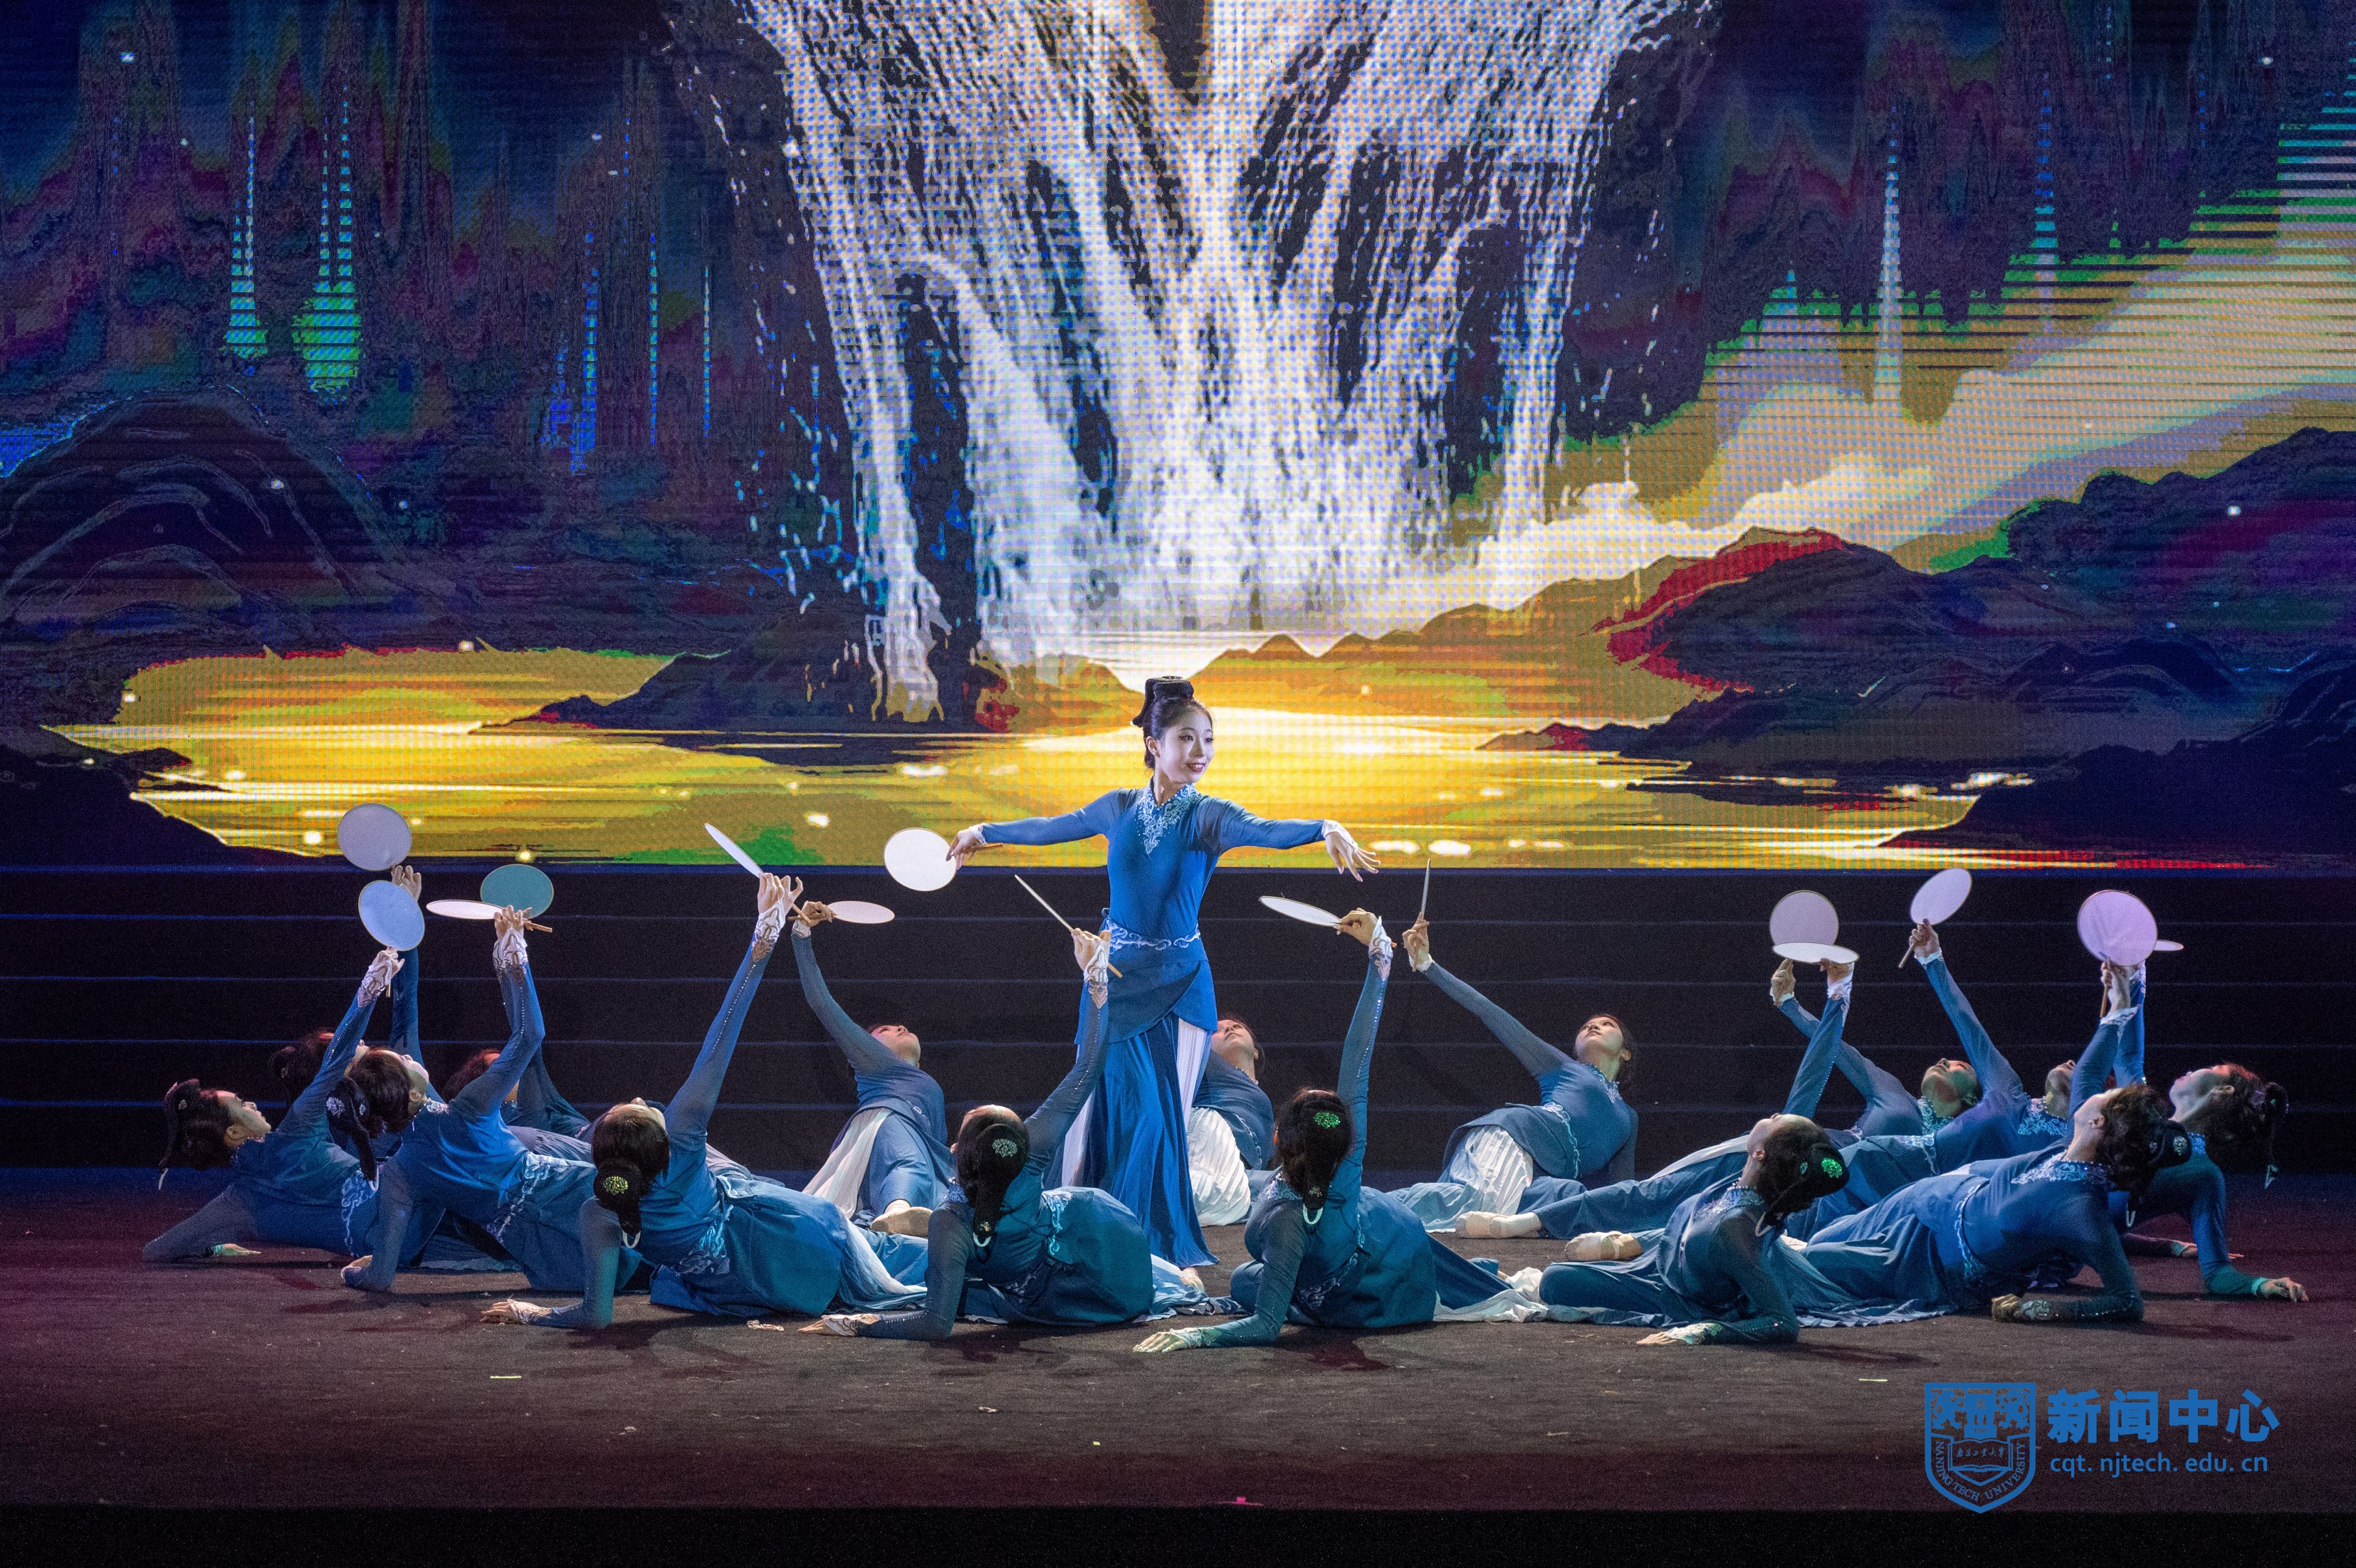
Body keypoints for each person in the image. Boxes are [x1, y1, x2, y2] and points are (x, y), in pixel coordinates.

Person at [944, 676, 1378, 1267]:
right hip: (1114, 981)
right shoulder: (1118, 807)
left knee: (1155, 1120)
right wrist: (982, 833)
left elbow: (1266, 830)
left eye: (1209, 740)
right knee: (1097, 1111)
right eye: (1186, 738)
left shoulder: (1208, 815)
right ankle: (1084, 1236)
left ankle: (1147, 1246)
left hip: (1179, 987)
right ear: (1154, 743)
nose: (1201, 751)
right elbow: (1051, 826)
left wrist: (1322, 827)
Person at [480, 876, 928, 1329]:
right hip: (797, 1247)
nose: (640, 1098)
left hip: (738, 1290)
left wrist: (532, 1314)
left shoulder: (598, 1211)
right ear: (661, 1138)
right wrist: (764, 933)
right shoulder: (683, 1148)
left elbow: (595, 1315)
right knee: (916, 1261)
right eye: (641, 1107)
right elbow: (721, 1038)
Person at [1130, 912, 1544, 1353]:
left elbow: (1266, 1326)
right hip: (1380, 1246)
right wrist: (1378, 958)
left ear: (1277, 1138)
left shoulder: (1290, 1221)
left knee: (1249, 1281)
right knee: (1247, 1278)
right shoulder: (1345, 1164)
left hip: (1375, 1287)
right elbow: (1357, 1059)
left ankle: (1401, 1280)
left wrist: (1198, 1334)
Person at [800, 925, 1210, 1340]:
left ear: (957, 1150)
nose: (897, 1029)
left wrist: (860, 1326)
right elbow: (1088, 1067)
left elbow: (935, 1323)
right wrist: (1096, 983)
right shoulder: (1032, 1151)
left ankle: (906, 1214)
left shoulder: (953, 1220)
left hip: (1058, 1291)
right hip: (1109, 1260)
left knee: (959, 1280)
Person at [1455, 957, 1862, 1242]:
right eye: (1588, 1026)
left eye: (1779, 1120)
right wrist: (1830, 996)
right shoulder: (1567, 1070)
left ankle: (1536, 1222)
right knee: (1616, 1200)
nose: (1774, 1115)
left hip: (1704, 1201)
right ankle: (1539, 1221)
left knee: (1611, 1200)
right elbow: (1629, 1196)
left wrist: (1832, 996)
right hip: (1527, 1147)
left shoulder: (1745, 1171)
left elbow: (1810, 1081)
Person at [342, 909, 634, 1295]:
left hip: (559, 1263)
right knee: (656, 1206)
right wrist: (515, 957)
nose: (411, 1056)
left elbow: (380, 1278)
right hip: (594, 1198)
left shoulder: (400, 1174)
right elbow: (530, 1035)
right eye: (406, 1062)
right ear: (411, 1094)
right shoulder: (467, 1109)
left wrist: (352, 1274)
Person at [1793, 1067, 2193, 1328]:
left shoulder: (2081, 1208)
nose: (2090, 1091)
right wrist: (2122, 1002)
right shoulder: (2064, 1150)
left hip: (1924, 1261)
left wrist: (2040, 1309)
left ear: (2098, 1121)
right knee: (1817, 1243)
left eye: (2105, 1094)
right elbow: (2089, 1069)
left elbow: (2127, 1301)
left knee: (1812, 1262)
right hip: (1918, 1203)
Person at [144, 946, 451, 1267]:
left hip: (393, 1243)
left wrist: (212, 1247)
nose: (251, 1102)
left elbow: (158, 1250)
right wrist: (368, 991)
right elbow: (338, 1061)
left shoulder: (237, 1202)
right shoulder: (302, 1127)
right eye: (241, 1103)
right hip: (415, 1219)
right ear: (233, 1132)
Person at [1380, 914, 1636, 1232]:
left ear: (1626, 1052)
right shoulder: (1563, 1068)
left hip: (1540, 1179)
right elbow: (1491, 1013)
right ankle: (1360, 1206)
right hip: (1513, 1139)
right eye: (1586, 1026)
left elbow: (1624, 1190)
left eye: (1607, 1024)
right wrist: (1428, 965)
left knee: (1574, 1201)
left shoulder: (1628, 1119)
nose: (1593, 1026)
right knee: (1472, 1203)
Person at [1529, 1114, 1854, 1346]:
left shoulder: (1737, 1230)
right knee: (1557, 1275)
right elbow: (1689, 1231)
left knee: (1556, 1279)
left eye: (1776, 1119)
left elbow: (1782, 1323)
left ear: (1760, 1152)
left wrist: (1704, 1331)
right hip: (1661, 1266)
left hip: (1674, 1296)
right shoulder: (1737, 1186)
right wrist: (1627, 1244)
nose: (1771, 1115)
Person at [789, 900, 957, 1234]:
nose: (899, 1027)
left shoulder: (924, 1082)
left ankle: (889, 1217)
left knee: (928, 1177)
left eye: (899, 1026)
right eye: (884, 1030)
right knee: (908, 1162)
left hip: (922, 1143)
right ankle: (898, 1211)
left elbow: (935, 1141)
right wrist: (802, 934)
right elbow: (821, 1002)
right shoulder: (875, 1063)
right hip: (889, 1123)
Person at [1189, 1015, 1274, 1226]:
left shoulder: (1262, 1101)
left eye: (1237, 1026)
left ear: (1255, 1051)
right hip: (1212, 1146)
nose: (1229, 1029)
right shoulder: (1204, 1062)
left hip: (1243, 1175)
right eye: (1216, 1031)